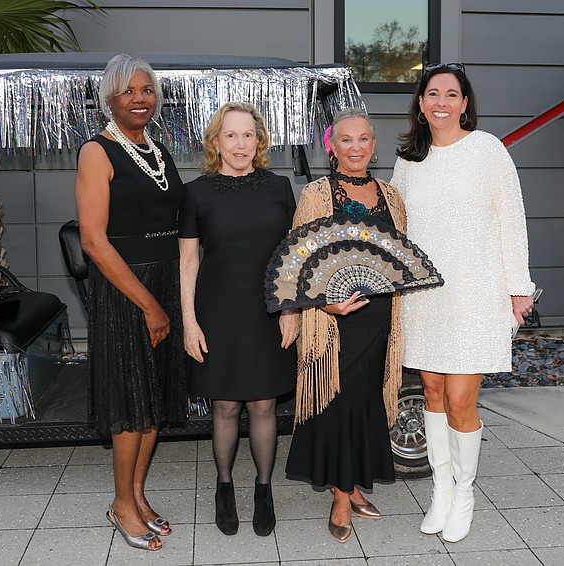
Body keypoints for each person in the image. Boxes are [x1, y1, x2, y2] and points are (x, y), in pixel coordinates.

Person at [391, 63, 535, 543]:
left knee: (459, 398)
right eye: (433, 94)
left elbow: (511, 222)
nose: (442, 102)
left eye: (452, 94)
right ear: (420, 102)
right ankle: (441, 490)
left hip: (475, 290)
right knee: (431, 392)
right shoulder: (410, 159)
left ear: (465, 103)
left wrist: (518, 287)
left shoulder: (488, 150)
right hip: (424, 294)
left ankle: (466, 491)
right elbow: (397, 230)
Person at [75, 54, 187, 552]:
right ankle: (121, 504)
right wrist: (149, 305)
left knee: (154, 401)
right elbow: (95, 242)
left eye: (147, 89)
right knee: (131, 402)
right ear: (109, 99)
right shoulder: (97, 152)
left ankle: (137, 496)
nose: (140, 98)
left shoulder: (157, 150)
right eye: (128, 91)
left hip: (162, 283)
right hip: (128, 291)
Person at [284, 108, 405, 543]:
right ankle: (340, 496)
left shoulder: (391, 196)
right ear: (332, 148)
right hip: (335, 323)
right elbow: (300, 262)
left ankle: (351, 485)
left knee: (365, 401)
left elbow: (398, 261)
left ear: (374, 146)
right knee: (338, 403)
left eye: (365, 139)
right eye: (347, 140)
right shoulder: (317, 194)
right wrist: (325, 305)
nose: (356, 148)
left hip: (379, 319)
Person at [179, 102, 298, 537]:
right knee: (226, 404)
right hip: (218, 311)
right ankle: (224, 485)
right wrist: (189, 322)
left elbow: (293, 257)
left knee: (264, 403)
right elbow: (188, 262)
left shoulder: (280, 188)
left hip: (267, 311)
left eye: (248, 135)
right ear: (216, 142)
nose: (240, 144)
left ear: (259, 140)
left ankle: (263, 489)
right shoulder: (196, 193)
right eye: (230, 135)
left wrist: (291, 310)